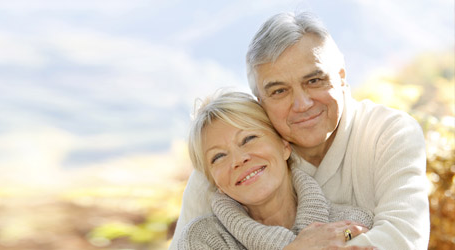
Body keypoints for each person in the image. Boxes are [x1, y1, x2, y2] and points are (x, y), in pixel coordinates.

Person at [171, 12, 429, 250]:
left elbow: (403, 238)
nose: (302, 104)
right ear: (260, 100)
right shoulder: (231, 166)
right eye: (279, 91)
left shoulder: (388, 134)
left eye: (314, 80)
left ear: (341, 77)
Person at [177, 91, 374, 249]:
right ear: (214, 182)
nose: (238, 160)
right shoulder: (203, 239)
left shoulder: (350, 224)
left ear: (284, 145)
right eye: (218, 156)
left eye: (248, 139)